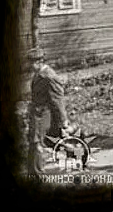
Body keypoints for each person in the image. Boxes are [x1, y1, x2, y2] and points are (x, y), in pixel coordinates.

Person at [26, 48, 69, 176]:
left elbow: (58, 99)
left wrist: (63, 119)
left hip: (43, 114)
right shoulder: (38, 74)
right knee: (36, 142)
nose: (29, 66)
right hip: (37, 113)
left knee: (37, 142)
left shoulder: (48, 76)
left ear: (39, 61)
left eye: (31, 63)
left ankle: (38, 175)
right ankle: (33, 173)